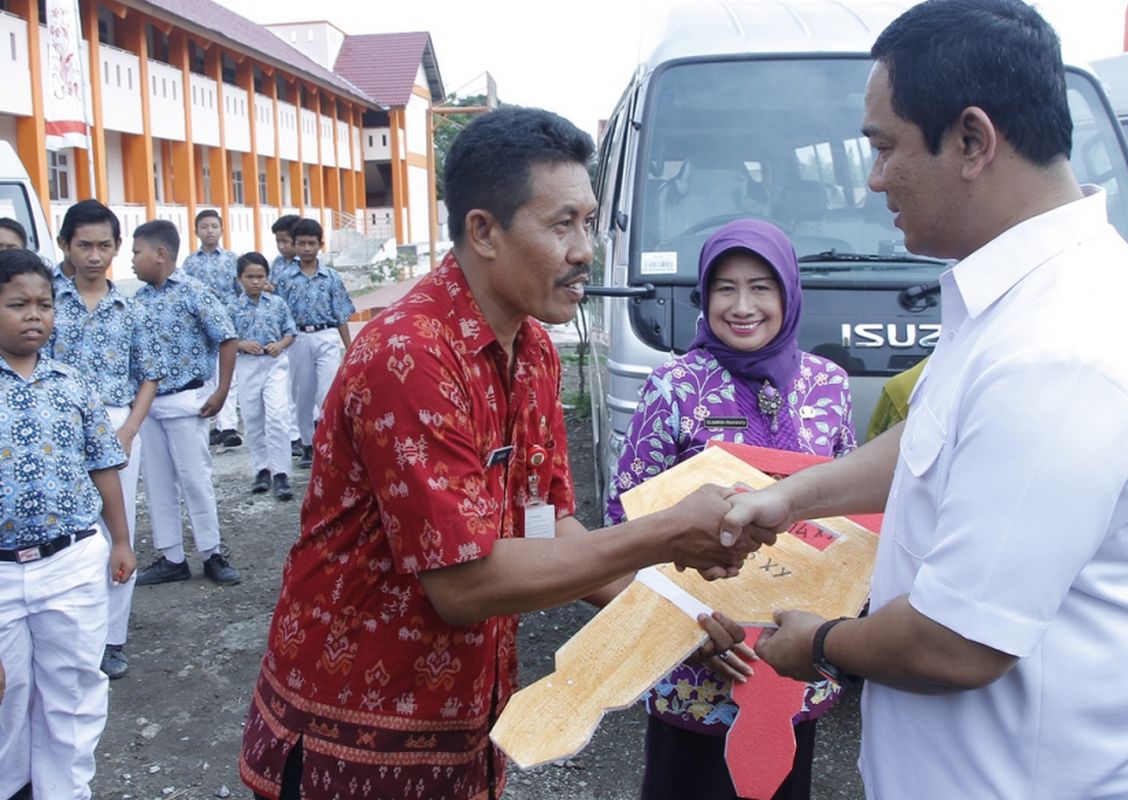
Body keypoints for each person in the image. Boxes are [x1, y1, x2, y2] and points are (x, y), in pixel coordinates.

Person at [719, 1, 1128, 797]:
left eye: (884, 147)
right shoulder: (1022, 293)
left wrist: (822, 644)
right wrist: (791, 496)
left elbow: (956, 644)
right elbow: (935, 439)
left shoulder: (1062, 348)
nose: (873, 179)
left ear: (973, 140)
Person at [239, 106, 756, 800]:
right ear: (483, 231)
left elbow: (547, 524)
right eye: (561, 224)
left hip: (465, 721)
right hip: (356, 729)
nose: (584, 251)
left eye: (589, 222)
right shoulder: (410, 355)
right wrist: (662, 533)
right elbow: (465, 586)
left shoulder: (534, 348)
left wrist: (672, 608)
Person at [604, 219, 854, 800]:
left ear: (789, 293)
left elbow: (849, 518)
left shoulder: (829, 386)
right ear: (704, 295)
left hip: (793, 662)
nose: (743, 306)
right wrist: (693, 626)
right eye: (725, 288)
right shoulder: (674, 386)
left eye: (762, 287)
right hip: (696, 663)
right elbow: (625, 524)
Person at [0, 248, 136, 800]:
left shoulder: (71, 383)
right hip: (4, 575)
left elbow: (103, 464)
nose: (34, 314)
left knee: (73, 688)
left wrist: (121, 539)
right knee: (9, 691)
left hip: (72, 560)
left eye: (44, 304)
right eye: (17, 304)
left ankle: (64, 790)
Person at [46, 199, 161, 680]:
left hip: (117, 425)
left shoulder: (130, 311)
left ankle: (113, 637)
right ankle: (69, 630)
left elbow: (149, 376)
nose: (95, 256)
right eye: (84, 245)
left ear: (116, 247)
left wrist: (129, 430)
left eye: (105, 246)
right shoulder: (47, 303)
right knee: (66, 529)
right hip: (57, 426)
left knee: (118, 527)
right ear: (65, 246)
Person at [131, 219, 242, 588]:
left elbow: (227, 338)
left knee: (195, 480)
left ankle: (212, 553)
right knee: (158, 483)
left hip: (186, 400)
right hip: (149, 404)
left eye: (136, 252)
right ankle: (172, 557)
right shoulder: (137, 302)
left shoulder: (194, 292)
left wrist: (222, 392)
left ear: (160, 254)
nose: (132, 260)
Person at [271, 218, 353, 469]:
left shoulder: (331, 277)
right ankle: (307, 443)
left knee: (326, 392)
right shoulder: (285, 278)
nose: (307, 248)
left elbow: (340, 314)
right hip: (298, 338)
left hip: (326, 336)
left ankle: (329, 441)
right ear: (294, 245)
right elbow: (278, 313)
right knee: (302, 393)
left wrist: (349, 348)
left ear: (321, 245)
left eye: (312, 243)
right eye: (302, 243)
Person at [231, 251, 297, 501]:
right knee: (253, 417)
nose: (255, 282)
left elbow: (290, 333)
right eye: (250, 277)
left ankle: (281, 472)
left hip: (274, 364)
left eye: (260, 276)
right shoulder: (232, 306)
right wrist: (242, 344)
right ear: (239, 278)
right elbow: (226, 340)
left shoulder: (277, 303)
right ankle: (262, 469)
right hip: (247, 364)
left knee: (278, 415)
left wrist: (280, 344)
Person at [182, 209, 241, 447]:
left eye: (214, 226)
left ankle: (228, 426)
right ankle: (210, 422)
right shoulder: (189, 263)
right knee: (205, 377)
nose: (209, 231)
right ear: (196, 231)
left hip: (226, 326)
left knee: (228, 376)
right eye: (204, 227)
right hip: (200, 330)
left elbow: (240, 292)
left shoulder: (231, 259)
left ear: (221, 230)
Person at [266, 214, 303, 457]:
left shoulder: (304, 264)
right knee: (288, 387)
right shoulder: (277, 264)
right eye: (278, 241)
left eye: (286, 241)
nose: (281, 246)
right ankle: (294, 436)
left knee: (303, 387)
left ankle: (306, 431)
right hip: (281, 334)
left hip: (301, 331)